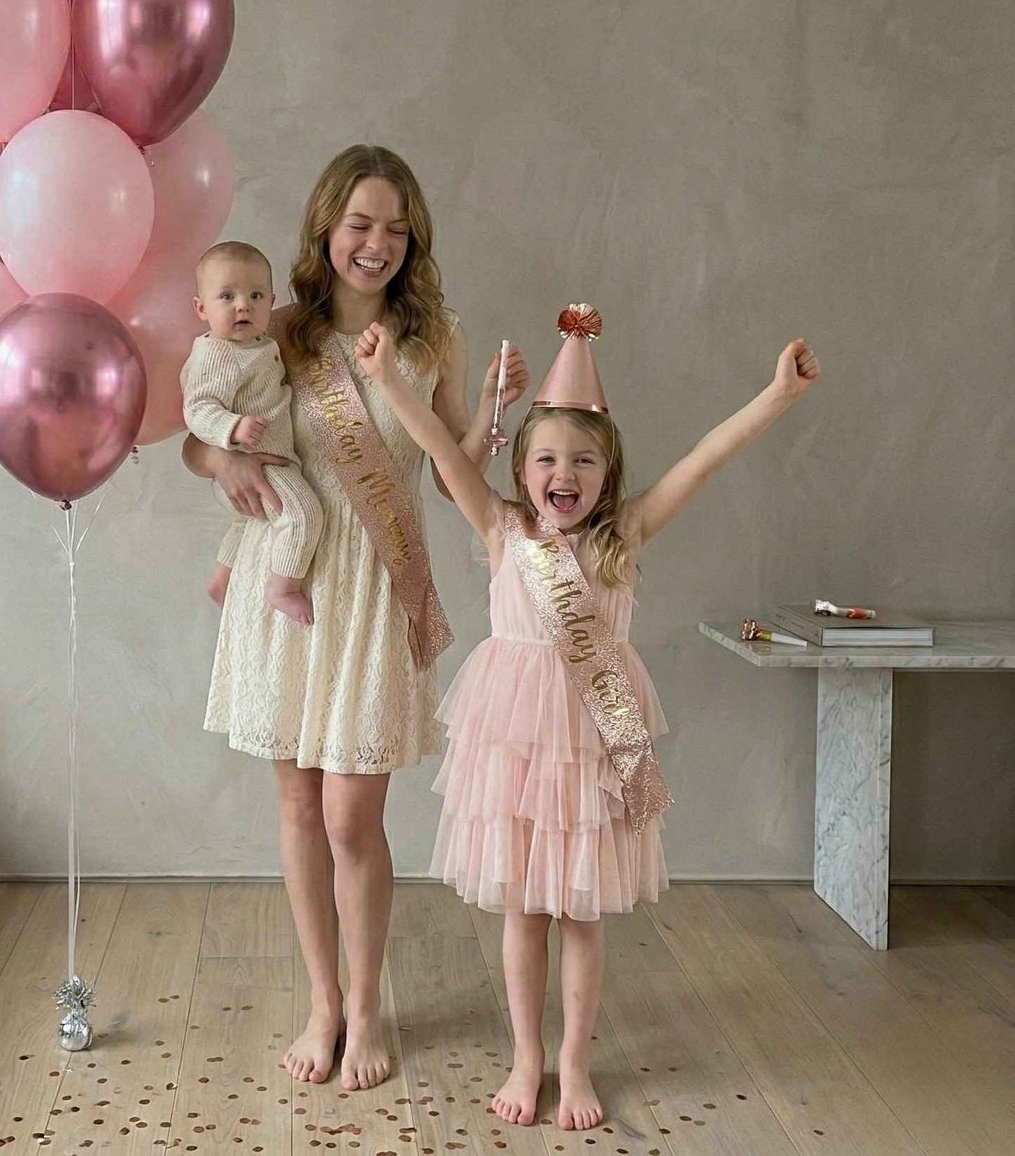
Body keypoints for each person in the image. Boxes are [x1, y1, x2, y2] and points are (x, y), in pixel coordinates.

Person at [355, 302, 819, 1130]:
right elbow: (432, 445)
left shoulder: (626, 533)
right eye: (543, 458)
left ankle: (573, 1062)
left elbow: (704, 459)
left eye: (580, 461)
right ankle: (525, 1056)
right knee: (522, 911)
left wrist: (775, 397)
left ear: (606, 474)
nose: (560, 473)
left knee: (580, 910)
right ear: (521, 467)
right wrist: (388, 378)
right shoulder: (500, 527)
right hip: (520, 743)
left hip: (599, 744)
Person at [183, 144, 530, 1090]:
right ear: (325, 229)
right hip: (290, 583)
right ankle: (323, 1002)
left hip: (377, 587)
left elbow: (460, 471)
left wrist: (495, 414)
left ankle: (369, 1002)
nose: (374, 243)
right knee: (297, 802)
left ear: (411, 239)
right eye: (358, 224)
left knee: (349, 814)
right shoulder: (277, 329)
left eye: (393, 226)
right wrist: (226, 464)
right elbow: (196, 435)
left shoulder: (433, 338)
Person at [181, 240, 324, 626]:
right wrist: (232, 429)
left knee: (248, 522)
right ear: (201, 308)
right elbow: (197, 409)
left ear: (272, 301)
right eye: (227, 296)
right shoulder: (217, 354)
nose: (243, 305)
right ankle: (283, 589)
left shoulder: (262, 343)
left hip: (271, 461)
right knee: (304, 514)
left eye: (256, 295)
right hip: (259, 464)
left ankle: (222, 579)